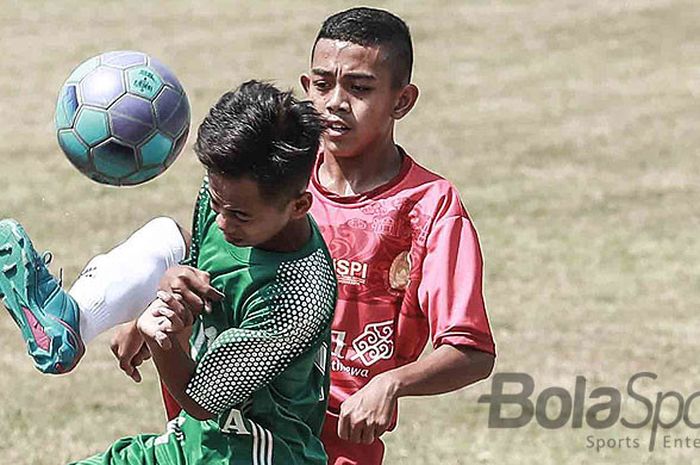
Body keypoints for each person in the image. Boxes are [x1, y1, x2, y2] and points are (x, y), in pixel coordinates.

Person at [0, 80, 337, 465]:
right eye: (216, 202)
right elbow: (208, 263)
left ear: (299, 205)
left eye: (240, 215)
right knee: (168, 235)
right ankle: (77, 316)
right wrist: (162, 291)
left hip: (257, 454)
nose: (223, 222)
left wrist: (157, 330)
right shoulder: (230, 196)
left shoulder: (300, 297)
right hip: (191, 445)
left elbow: (201, 400)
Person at [297, 7, 496, 464]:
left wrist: (391, 383)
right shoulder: (280, 178)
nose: (336, 102)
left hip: (338, 449)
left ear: (402, 101)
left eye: (360, 88)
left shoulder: (430, 206)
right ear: (307, 87)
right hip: (243, 428)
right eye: (323, 84)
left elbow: (470, 350)